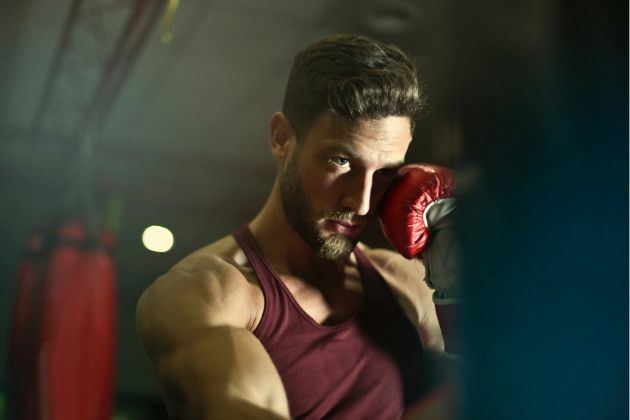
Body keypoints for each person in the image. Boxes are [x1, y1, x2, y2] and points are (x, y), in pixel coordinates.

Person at [136, 34, 460, 420]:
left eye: (387, 173)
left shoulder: (406, 284)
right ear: (281, 139)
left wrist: (461, 302)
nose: (360, 202)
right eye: (340, 161)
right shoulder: (206, 293)